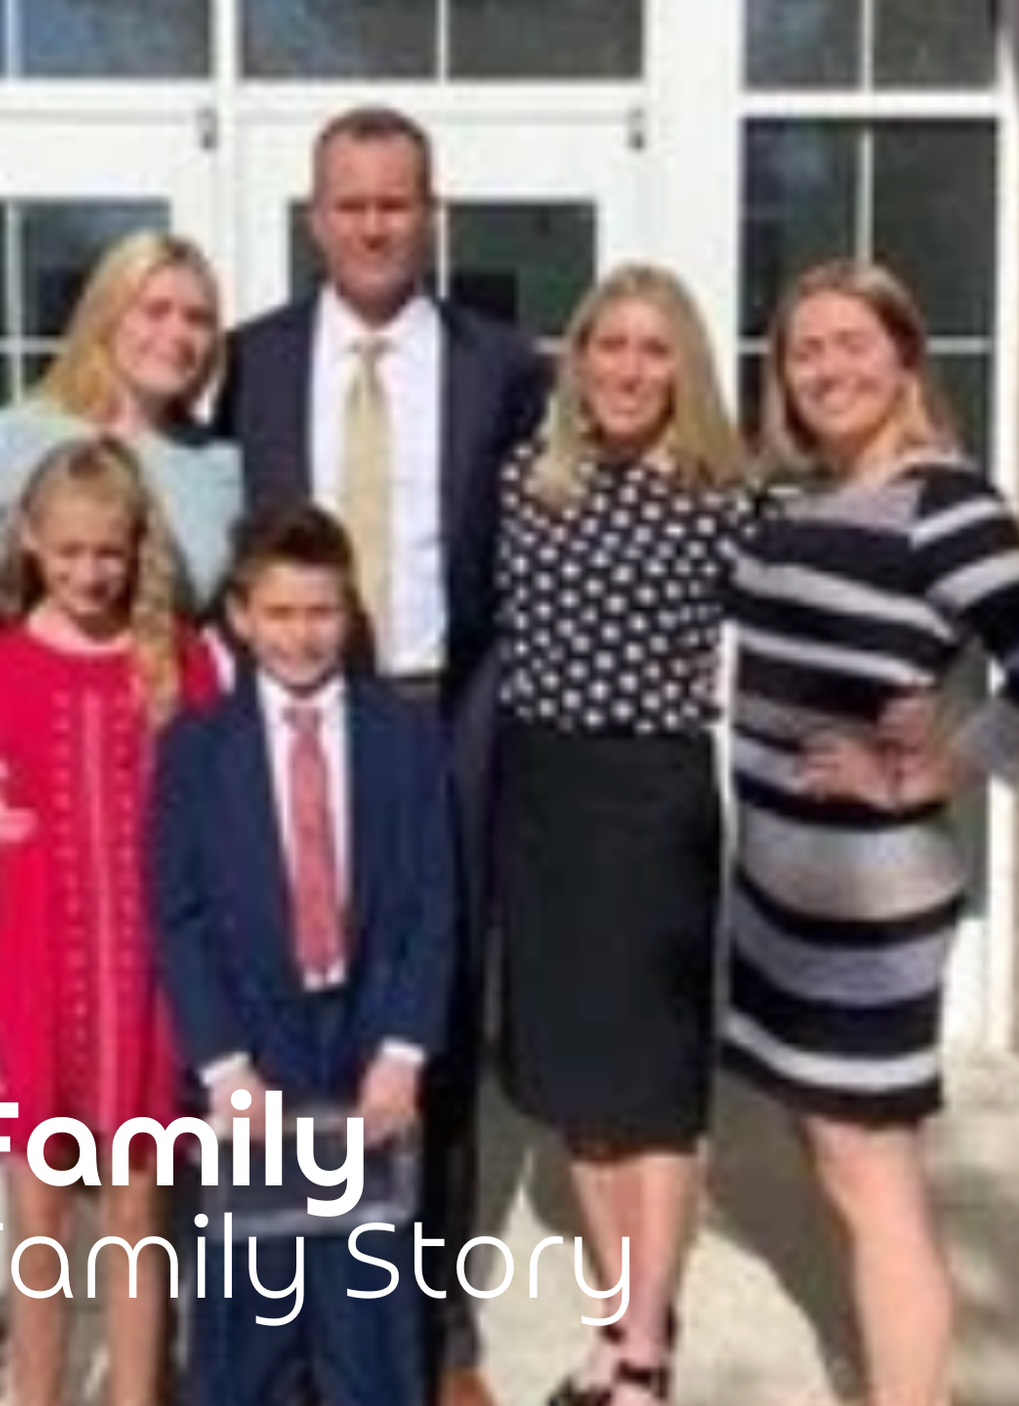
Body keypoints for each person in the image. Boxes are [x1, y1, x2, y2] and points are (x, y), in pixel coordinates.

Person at [212, 104, 550, 1406]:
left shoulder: (501, 366)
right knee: (277, 1006)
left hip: (433, 715)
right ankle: (274, 1299)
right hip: (289, 708)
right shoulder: (248, 361)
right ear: (314, 218)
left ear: (431, 212)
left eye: (395, 201)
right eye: (349, 202)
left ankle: (440, 1324)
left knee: (430, 1019)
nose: (372, 223)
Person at [722, 260, 1019, 1406]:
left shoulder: (946, 503)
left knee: (869, 1168)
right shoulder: (794, 503)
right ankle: (896, 1369)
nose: (828, 367)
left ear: (902, 357)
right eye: (804, 350)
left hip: (867, 900)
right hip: (779, 891)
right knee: (835, 1161)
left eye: (850, 342)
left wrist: (933, 762)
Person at [492, 265, 754, 1406]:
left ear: (682, 368)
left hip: (654, 805)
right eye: (612, 345)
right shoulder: (523, 482)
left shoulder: (724, 497)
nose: (630, 370)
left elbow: (820, 625)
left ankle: (644, 1350)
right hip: (542, 797)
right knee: (576, 1089)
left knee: (652, 1089)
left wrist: (919, 734)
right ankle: (616, 1323)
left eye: (655, 350)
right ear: (578, 358)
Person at [0, 437, 220, 1406]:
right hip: (25, 980)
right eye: (70, 552)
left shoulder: (176, 661)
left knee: (138, 1218)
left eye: (110, 551)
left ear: (139, 549)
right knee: (38, 1222)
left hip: (147, 986)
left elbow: (220, 823)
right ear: (32, 546)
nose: (91, 572)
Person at [151, 503, 457, 1406]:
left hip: (367, 1045)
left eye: (321, 612)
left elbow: (437, 904)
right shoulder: (196, 749)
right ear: (242, 617)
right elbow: (181, 916)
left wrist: (404, 1053)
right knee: (247, 1325)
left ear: (349, 611)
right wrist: (223, 1067)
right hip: (253, 1050)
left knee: (371, 1324)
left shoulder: (403, 736)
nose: (301, 634)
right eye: (279, 614)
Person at [0, 231, 244, 613]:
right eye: (155, 311)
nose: (178, 334)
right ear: (105, 316)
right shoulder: (9, 442)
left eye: (198, 319)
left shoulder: (222, 469)